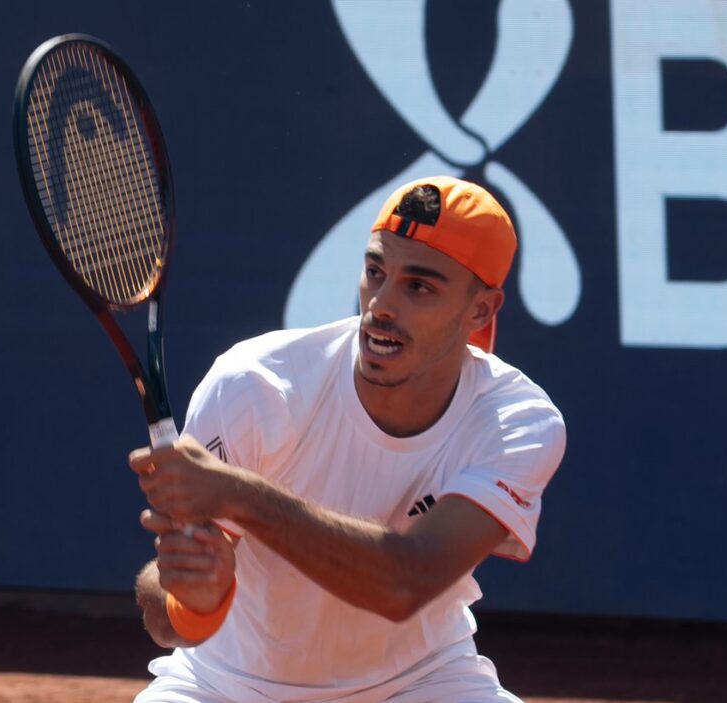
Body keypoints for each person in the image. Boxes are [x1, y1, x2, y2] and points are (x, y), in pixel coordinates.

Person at [129, 176, 567, 703]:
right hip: (223, 687)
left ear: (481, 310)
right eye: (375, 272)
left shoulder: (516, 422)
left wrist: (242, 496)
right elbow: (168, 617)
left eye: (419, 287)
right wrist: (191, 603)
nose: (381, 304)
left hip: (421, 683)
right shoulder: (254, 385)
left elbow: (407, 582)